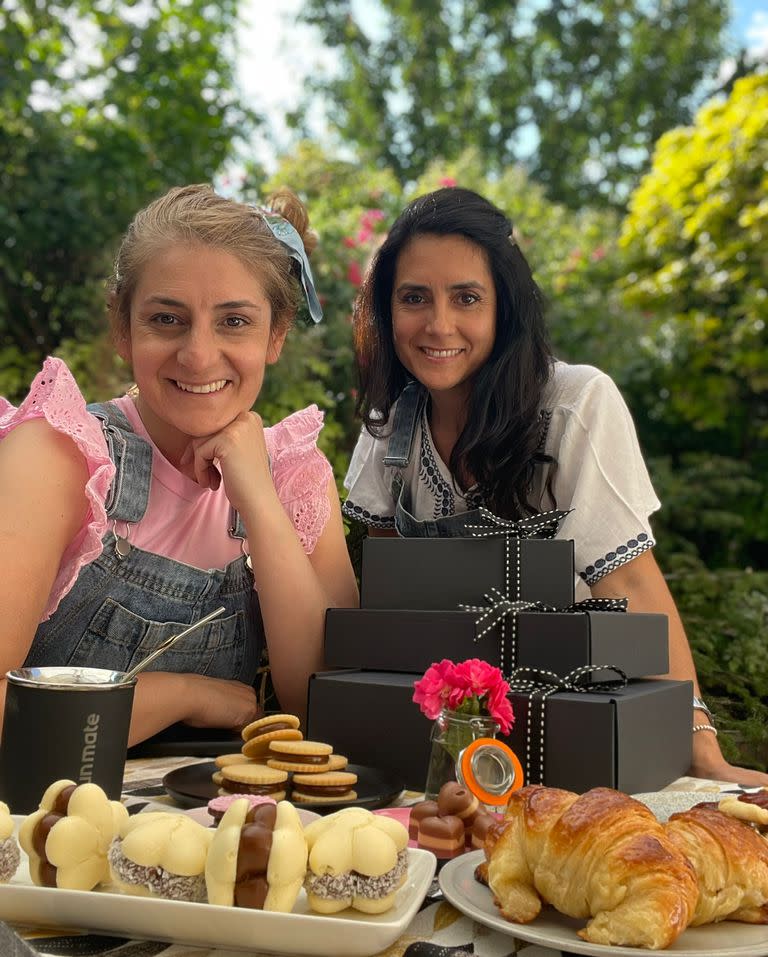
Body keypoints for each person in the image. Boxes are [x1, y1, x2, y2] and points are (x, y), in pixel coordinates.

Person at [343, 186, 767, 786]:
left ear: (504, 309)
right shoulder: (391, 427)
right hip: (434, 730)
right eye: (415, 298)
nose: (439, 324)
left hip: (566, 713)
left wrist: (699, 746)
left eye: (467, 298)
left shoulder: (573, 405)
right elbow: (385, 604)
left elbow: (631, 581)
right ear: (386, 310)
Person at [0, 184, 358, 745]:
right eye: (167, 319)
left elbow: (331, 706)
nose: (197, 354)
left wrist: (260, 501)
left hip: (212, 827)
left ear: (277, 334)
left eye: (234, 321)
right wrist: (184, 695)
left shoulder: (294, 476)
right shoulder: (62, 454)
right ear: (122, 327)